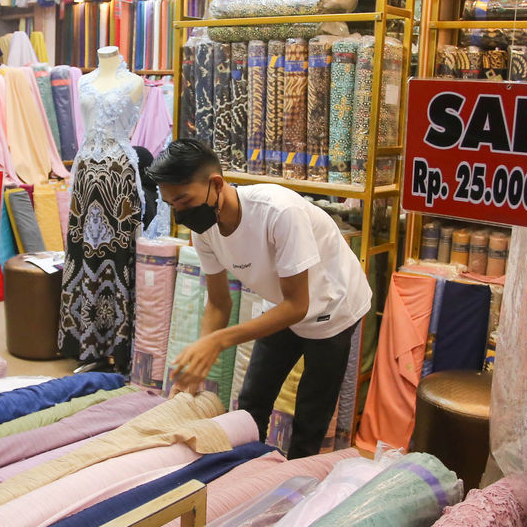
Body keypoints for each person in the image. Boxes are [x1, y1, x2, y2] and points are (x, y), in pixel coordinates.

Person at [150, 139, 371, 458]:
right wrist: (199, 359)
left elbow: (300, 306)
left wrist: (218, 342)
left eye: (184, 201)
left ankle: (297, 484)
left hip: (331, 306)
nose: (181, 214)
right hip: (283, 305)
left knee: (310, 415)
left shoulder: (279, 212)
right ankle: (248, 473)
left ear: (216, 183)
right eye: (173, 205)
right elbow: (218, 303)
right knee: (253, 400)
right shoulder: (205, 230)